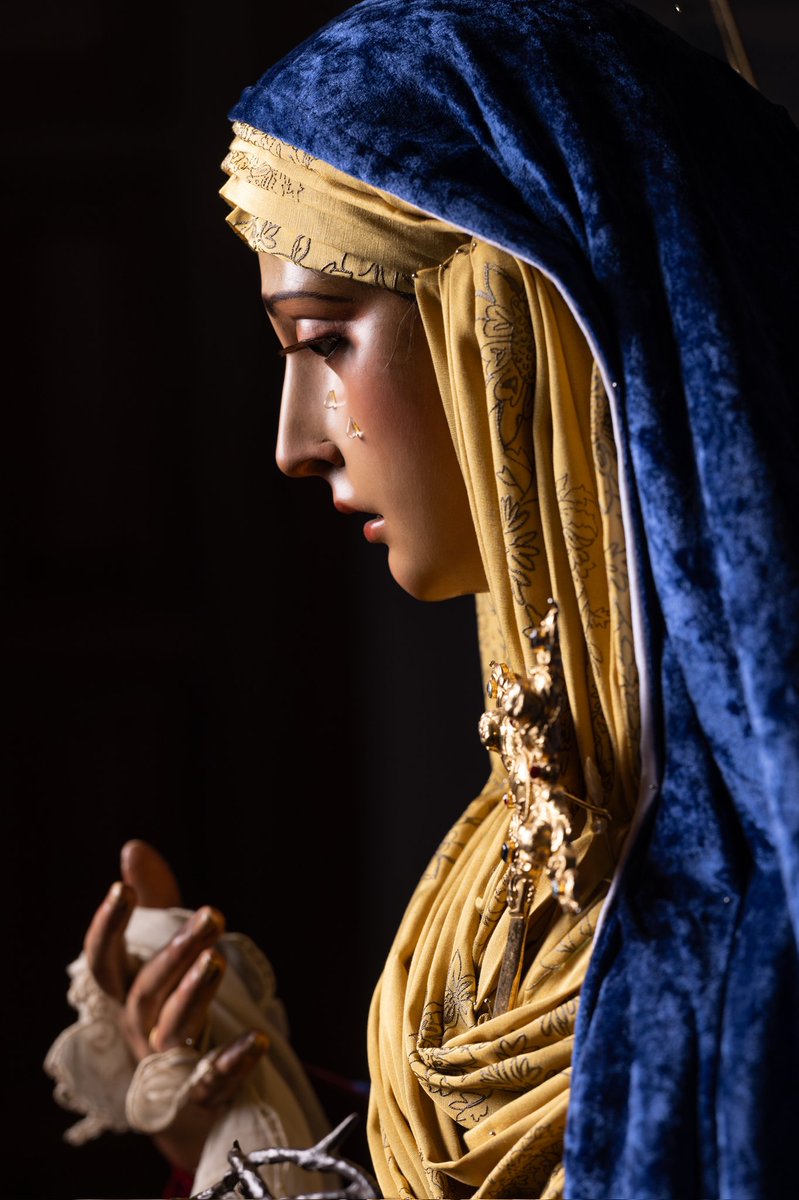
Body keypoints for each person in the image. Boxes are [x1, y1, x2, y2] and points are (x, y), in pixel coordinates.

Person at [45, 0, 799, 1197]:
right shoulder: (516, 837)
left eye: (326, 340)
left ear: (514, 334)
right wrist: (243, 1105)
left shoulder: (760, 928)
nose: (295, 442)